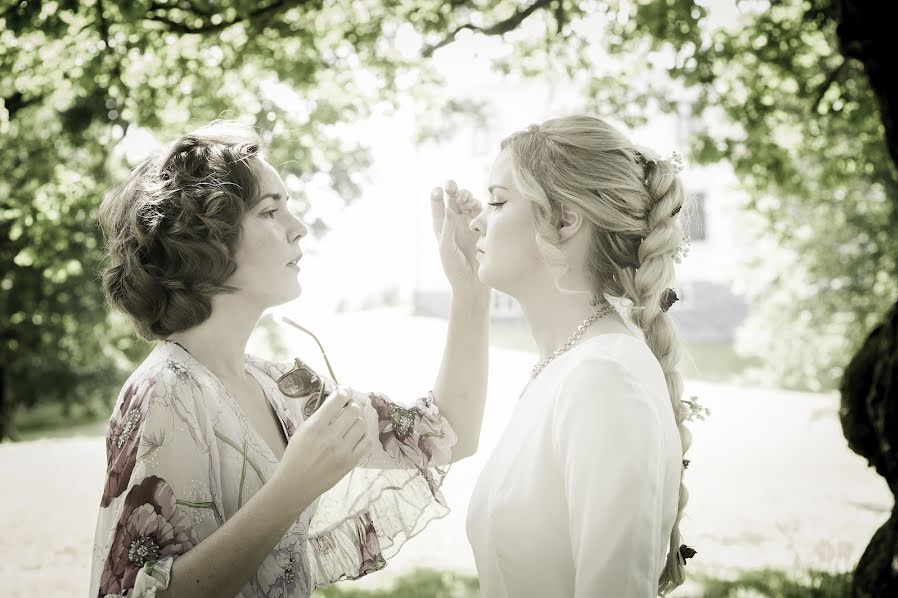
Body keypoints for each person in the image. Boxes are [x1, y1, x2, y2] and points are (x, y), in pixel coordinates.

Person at [90, 121, 491, 597]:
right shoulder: (165, 390)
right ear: (207, 239)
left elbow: (448, 434)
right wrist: (294, 486)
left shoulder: (285, 389)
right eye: (270, 211)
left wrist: (471, 293)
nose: (298, 228)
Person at [462, 116, 697, 597]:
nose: (477, 220)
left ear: (566, 220)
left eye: (498, 201)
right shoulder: (565, 367)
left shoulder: (604, 378)